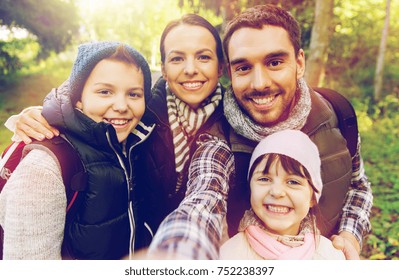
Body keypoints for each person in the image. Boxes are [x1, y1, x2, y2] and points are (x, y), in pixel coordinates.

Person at [147, 4, 372, 260]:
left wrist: (350, 234)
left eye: (274, 62)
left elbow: (357, 184)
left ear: (299, 62)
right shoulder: (218, 139)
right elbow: (202, 201)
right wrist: (178, 254)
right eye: (243, 67)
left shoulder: (337, 114)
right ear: (229, 71)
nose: (260, 83)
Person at [3, 14, 232, 259]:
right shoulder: (145, 114)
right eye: (177, 58)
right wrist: (40, 115)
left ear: (221, 67)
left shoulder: (237, 118)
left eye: (204, 56)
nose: (190, 69)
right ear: (163, 69)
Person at [0, 41, 154, 259]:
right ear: (78, 99)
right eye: (105, 91)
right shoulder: (44, 169)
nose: (121, 105)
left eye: (134, 94)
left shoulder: (131, 145)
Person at [219, 129, 345, 260]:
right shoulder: (229, 255)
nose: (277, 192)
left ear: (313, 198)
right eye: (264, 179)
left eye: (293, 182)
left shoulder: (331, 256)